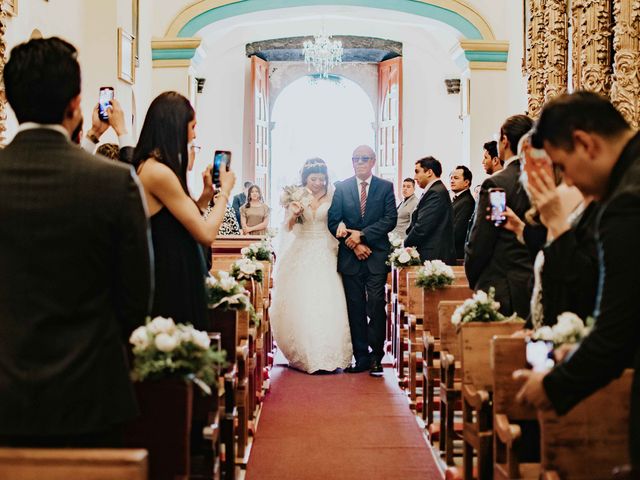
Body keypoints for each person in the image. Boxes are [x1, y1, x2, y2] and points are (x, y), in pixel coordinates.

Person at [0, 37, 152, 447]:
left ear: (11, 100)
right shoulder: (115, 182)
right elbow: (136, 298)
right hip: (89, 393)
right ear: (74, 105)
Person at [514, 92, 640, 472]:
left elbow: (617, 330)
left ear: (586, 143)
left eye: (562, 166)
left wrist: (551, 387)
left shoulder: (626, 203)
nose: (566, 180)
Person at [133, 91, 236, 330]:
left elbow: (175, 221)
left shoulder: (155, 168)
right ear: (175, 126)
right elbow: (206, 234)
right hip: (170, 278)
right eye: (192, 125)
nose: (194, 133)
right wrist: (225, 192)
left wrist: (205, 197)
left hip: (175, 272)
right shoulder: (157, 172)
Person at [270, 158, 352, 373]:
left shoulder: (333, 195)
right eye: (314, 178)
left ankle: (329, 351)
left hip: (326, 249)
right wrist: (294, 214)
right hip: (302, 248)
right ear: (305, 178)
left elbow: (338, 219)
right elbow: (287, 228)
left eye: (322, 179)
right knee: (303, 298)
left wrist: (342, 225)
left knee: (327, 297)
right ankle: (304, 352)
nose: (318, 183)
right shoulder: (296, 196)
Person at [328, 145, 397, 376]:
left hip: (376, 256)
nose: (359, 162)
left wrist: (363, 234)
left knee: (376, 304)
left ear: (373, 161)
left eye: (364, 159)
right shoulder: (342, 188)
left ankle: (377, 355)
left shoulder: (385, 187)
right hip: (350, 257)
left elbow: (390, 220)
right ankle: (362, 357)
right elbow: (333, 221)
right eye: (355, 159)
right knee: (355, 307)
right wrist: (355, 242)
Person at [465, 114, 534, 318]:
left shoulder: (498, 184)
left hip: (503, 285)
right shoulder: (544, 177)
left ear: (504, 140)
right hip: (534, 281)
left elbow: (485, 236)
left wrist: (474, 274)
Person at [405, 156, 456, 265]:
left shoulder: (435, 193)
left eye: (417, 172)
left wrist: (404, 245)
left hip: (434, 256)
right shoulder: (435, 190)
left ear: (429, 172)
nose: (414, 177)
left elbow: (422, 227)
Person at [82, 98, 135, 163]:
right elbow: (132, 167)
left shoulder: (87, 172)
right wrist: (121, 129)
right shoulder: (124, 171)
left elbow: (79, 164)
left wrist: (95, 131)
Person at [450, 165, 475, 260]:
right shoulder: (458, 199)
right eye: (451, 178)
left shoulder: (467, 201)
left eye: (456, 178)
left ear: (466, 182)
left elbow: (458, 232)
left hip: (457, 253)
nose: (452, 181)